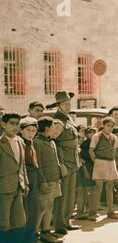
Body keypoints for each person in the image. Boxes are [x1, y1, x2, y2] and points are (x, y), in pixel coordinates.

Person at [0, 113, 32, 243]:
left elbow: (22, 166)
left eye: (17, 124)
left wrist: (24, 183)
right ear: (3, 124)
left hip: (17, 187)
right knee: (3, 223)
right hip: (2, 189)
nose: (15, 127)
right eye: (11, 123)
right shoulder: (1, 142)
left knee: (20, 221)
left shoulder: (19, 141)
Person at [47, 91, 81, 234]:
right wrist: (61, 164)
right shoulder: (57, 120)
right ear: (58, 105)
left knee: (71, 194)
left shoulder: (68, 119)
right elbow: (54, 144)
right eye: (65, 104)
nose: (68, 106)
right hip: (65, 161)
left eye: (69, 103)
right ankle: (60, 224)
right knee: (62, 195)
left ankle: (66, 221)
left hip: (73, 160)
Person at [33, 117, 64, 243]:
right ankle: (34, 234)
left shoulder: (51, 141)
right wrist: (43, 180)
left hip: (54, 179)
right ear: (46, 128)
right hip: (45, 180)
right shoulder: (37, 142)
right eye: (53, 127)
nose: (54, 130)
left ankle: (46, 232)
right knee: (41, 208)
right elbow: (37, 164)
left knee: (49, 206)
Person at [19, 117, 47, 243]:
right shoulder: (21, 144)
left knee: (37, 209)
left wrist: (41, 179)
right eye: (28, 130)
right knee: (29, 211)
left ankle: (32, 236)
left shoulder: (31, 143)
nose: (31, 133)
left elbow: (36, 164)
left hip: (34, 178)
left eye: (34, 131)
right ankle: (28, 240)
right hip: (26, 179)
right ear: (21, 131)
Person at [89, 117, 118, 220]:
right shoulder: (96, 136)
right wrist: (96, 161)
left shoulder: (114, 137)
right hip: (100, 162)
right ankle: (92, 213)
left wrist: (112, 161)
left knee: (110, 188)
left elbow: (115, 150)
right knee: (98, 188)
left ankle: (110, 212)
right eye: (108, 125)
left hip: (111, 163)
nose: (110, 128)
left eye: (112, 126)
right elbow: (91, 150)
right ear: (103, 125)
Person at [76, 126, 97, 220]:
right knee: (87, 191)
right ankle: (84, 212)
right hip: (85, 168)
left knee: (88, 191)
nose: (91, 134)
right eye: (89, 132)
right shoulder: (86, 143)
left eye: (93, 132)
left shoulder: (87, 143)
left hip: (87, 168)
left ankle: (85, 211)